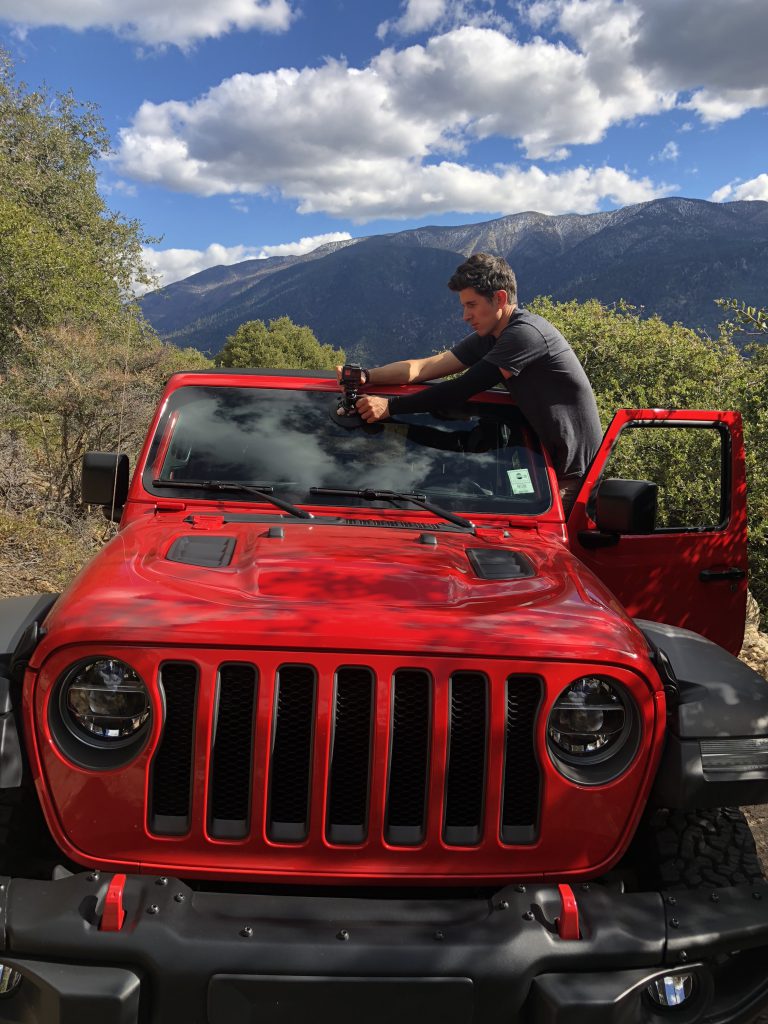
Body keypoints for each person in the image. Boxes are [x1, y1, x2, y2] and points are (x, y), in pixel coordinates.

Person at [347, 252, 602, 515]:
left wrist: (390, 407)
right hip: (542, 470)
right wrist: (367, 375)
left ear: (500, 298)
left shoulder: (526, 335)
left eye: (471, 305)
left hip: (571, 478)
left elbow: (462, 388)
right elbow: (425, 367)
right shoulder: (492, 336)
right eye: (463, 306)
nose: (465, 316)